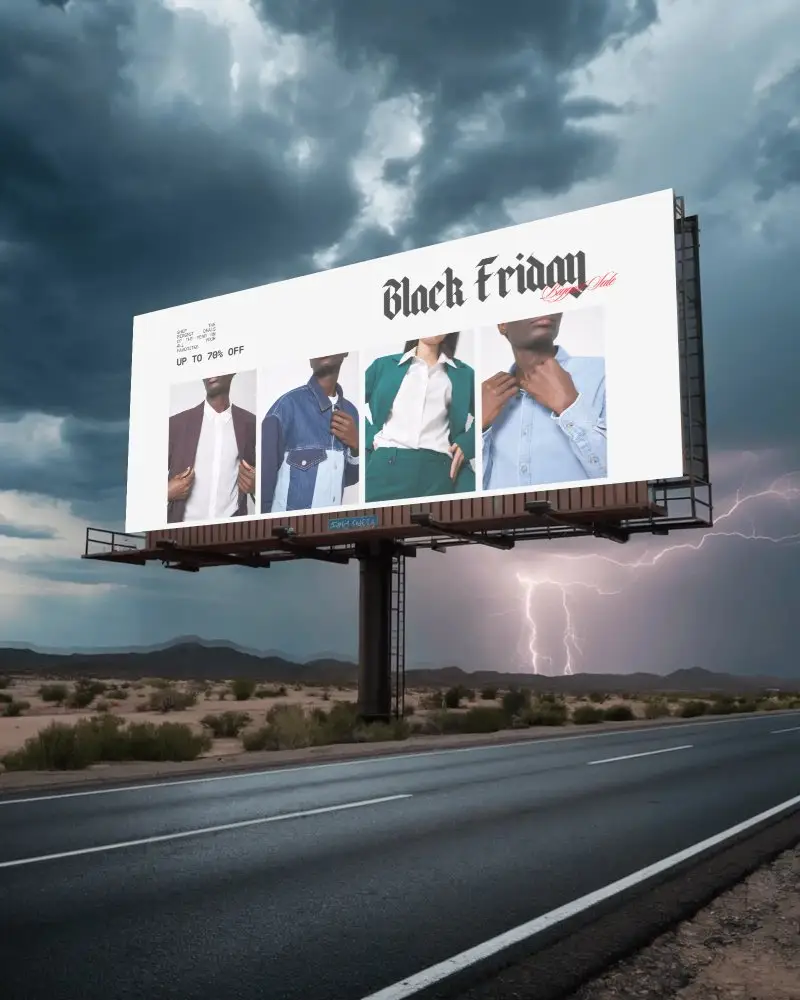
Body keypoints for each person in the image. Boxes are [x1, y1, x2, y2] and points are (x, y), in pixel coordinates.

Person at [481, 312, 606, 491]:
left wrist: (570, 406)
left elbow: (627, 480)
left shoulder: (604, 373)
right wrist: (478, 430)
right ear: (502, 324)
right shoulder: (485, 398)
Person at [364, 333, 476, 502]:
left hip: (440, 470)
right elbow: (351, 404)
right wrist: (369, 435)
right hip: (386, 468)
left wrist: (468, 443)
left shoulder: (464, 374)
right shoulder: (383, 366)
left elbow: (486, 410)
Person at [260, 354, 360, 513]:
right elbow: (264, 482)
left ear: (345, 352)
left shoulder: (351, 412)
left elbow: (349, 479)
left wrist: (356, 447)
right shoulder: (285, 408)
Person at [167, 373, 256, 524]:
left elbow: (261, 477)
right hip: (180, 531)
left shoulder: (251, 424)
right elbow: (144, 483)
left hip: (232, 531)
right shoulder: (175, 424)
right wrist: (166, 492)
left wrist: (256, 486)